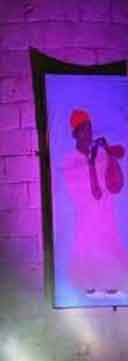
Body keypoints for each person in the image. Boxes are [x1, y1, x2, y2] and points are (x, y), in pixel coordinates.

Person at [61, 109, 128, 297]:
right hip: (87, 216)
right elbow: (92, 193)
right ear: (75, 134)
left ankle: (113, 282)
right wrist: (90, 164)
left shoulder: (100, 155)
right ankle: (88, 284)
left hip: (106, 214)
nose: (89, 133)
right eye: (84, 129)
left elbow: (116, 185)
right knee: (88, 247)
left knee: (109, 245)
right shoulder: (70, 161)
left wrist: (108, 152)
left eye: (90, 128)